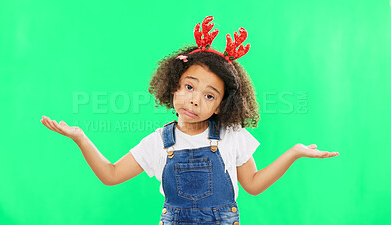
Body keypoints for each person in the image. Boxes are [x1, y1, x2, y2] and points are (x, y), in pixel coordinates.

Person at [40, 16, 339, 225]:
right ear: (173, 87)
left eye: (210, 96)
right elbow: (111, 174)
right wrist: (81, 138)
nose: (195, 99)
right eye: (189, 87)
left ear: (223, 106)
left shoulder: (231, 135)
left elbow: (253, 185)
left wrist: (294, 152)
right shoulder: (159, 141)